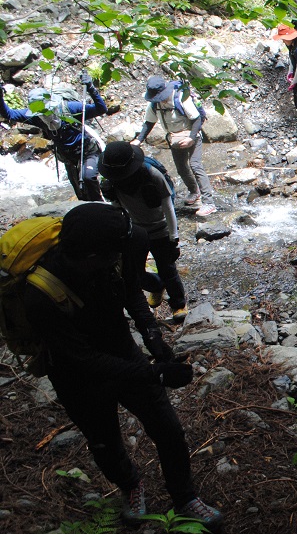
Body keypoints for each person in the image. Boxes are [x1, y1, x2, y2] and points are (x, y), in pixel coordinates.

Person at [21, 203, 223, 530]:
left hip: (123, 351)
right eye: (116, 253)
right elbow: (84, 360)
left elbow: (131, 290)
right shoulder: (41, 295)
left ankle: (184, 497)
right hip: (76, 378)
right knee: (104, 441)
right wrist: (155, 372)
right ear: (91, 258)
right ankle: (131, 486)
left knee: (168, 429)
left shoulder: (109, 258)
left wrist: (153, 336)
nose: (123, 255)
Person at [99, 141, 189, 322]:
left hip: (160, 230)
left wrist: (174, 237)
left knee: (167, 269)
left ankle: (178, 304)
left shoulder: (151, 174)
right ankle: (156, 286)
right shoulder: (111, 181)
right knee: (134, 271)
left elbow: (168, 205)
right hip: (135, 230)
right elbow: (117, 207)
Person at [0, 71, 107, 201]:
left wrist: (90, 87)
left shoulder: (70, 108)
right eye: (41, 113)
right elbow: (9, 115)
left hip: (88, 152)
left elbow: (101, 109)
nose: (45, 115)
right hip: (68, 158)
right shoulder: (35, 117)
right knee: (81, 194)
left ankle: (102, 210)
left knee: (87, 178)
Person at [131, 77, 216, 217]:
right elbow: (149, 123)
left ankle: (209, 202)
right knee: (181, 168)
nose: (160, 100)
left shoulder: (181, 97)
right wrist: (139, 140)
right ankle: (194, 191)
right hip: (174, 138)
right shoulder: (154, 104)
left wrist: (191, 138)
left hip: (192, 134)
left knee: (195, 165)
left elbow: (196, 119)